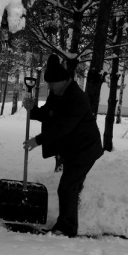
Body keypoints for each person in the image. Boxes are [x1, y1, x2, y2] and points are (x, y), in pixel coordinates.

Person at [22, 54, 103, 238]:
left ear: (63, 80)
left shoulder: (77, 98)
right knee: (71, 186)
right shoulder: (57, 93)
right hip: (72, 148)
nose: (49, 87)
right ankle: (72, 209)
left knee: (67, 187)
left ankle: (67, 228)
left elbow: (63, 127)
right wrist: (32, 109)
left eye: (51, 84)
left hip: (85, 149)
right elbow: (48, 113)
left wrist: (38, 140)